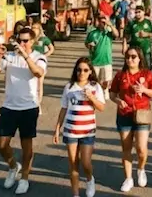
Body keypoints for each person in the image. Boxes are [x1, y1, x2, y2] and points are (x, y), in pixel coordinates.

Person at [0, 26, 47, 195]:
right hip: (9, 107)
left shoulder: (39, 57)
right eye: (19, 40)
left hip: (29, 107)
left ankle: (25, 178)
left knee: (27, 146)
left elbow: (38, 73)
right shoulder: (10, 56)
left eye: (25, 41)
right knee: (2, 145)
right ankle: (13, 167)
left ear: (32, 42)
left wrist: (25, 56)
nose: (21, 43)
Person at [53, 57, 106, 197]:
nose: (81, 73)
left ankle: (89, 179)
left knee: (86, 162)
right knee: (72, 162)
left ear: (90, 72)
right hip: (71, 130)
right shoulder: (69, 87)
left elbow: (101, 107)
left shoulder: (95, 87)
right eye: (79, 70)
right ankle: (75, 193)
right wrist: (57, 129)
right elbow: (63, 109)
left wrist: (91, 97)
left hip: (88, 131)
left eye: (85, 70)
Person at [110, 46, 152, 193]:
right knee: (126, 148)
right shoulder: (120, 75)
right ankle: (128, 178)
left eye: (133, 57)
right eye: (128, 57)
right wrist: (118, 101)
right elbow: (112, 94)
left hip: (142, 114)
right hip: (124, 114)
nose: (130, 59)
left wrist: (144, 90)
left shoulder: (147, 74)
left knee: (141, 149)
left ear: (139, 58)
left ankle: (141, 169)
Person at [86, 15, 119, 89]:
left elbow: (117, 34)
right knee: (94, 82)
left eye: (104, 21)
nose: (103, 23)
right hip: (95, 61)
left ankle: (105, 94)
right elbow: (86, 43)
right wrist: (89, 45)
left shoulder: (108, 32)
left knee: (107, 83)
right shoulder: (92, 32)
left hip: (107, 61)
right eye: (101, 21)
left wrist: (110, 24)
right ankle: (95, 96)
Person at [31, 21, 54, 113]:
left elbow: (51, 49)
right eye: (32, 27)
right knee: (32, 83)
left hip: (40, 63)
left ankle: (38, 104)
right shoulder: (31, 39)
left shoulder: (44, 39)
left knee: (39, 84)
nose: (33, 29)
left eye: (35, 28)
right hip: (31, 63)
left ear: (39, 29)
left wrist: (45, 55)